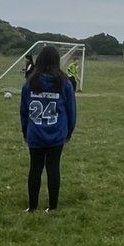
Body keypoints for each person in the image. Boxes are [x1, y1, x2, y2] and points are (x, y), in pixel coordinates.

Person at [21, 44, 77, 212]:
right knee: (53, 169)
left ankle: (32, 207)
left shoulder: (30, 82)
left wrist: (26, 131)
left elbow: (24, 111)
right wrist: (69, 131)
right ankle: (52, 207)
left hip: (35, 133)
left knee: (35, 168)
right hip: (57, 132)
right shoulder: (64, 83)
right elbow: (71, 110)